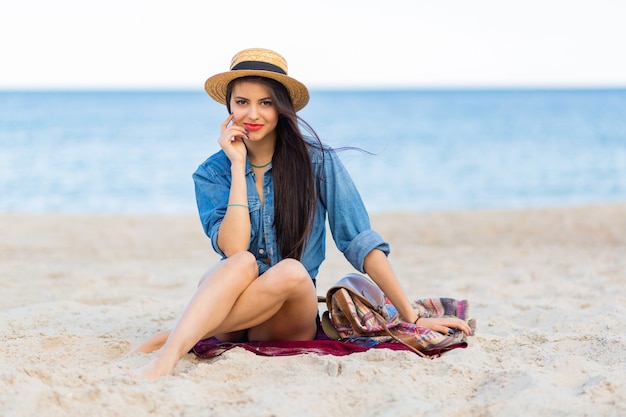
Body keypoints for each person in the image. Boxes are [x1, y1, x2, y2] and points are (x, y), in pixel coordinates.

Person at [130, 48, 472, 379]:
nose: (253, 114)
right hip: (235, 301)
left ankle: (174, 339)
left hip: (283, 315)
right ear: (228, 107)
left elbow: (359, 240)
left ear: (282, 108)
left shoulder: (317, 162)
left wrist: (410, 316)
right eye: (242, 102)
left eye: (265, 103)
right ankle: (173, 352)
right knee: (241, 263)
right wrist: (237, 167)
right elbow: (233, 249)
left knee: (291, 271)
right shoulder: (213, 172)